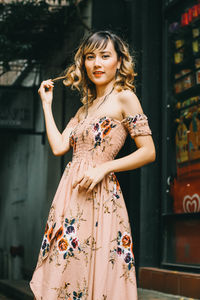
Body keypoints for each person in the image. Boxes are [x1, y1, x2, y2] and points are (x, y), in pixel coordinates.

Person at [30, 30, 156, 300]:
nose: (97, 63)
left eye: (105, 56)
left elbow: (148, 152)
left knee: (99, 267)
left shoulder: (125, 97)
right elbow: (59, 147)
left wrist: (103, 168)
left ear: (119, 61)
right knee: (69, 267)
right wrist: (46, 104)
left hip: (101, 196)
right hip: (71, 197)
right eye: (90, 57)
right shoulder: (83, 109)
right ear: (83, 64)